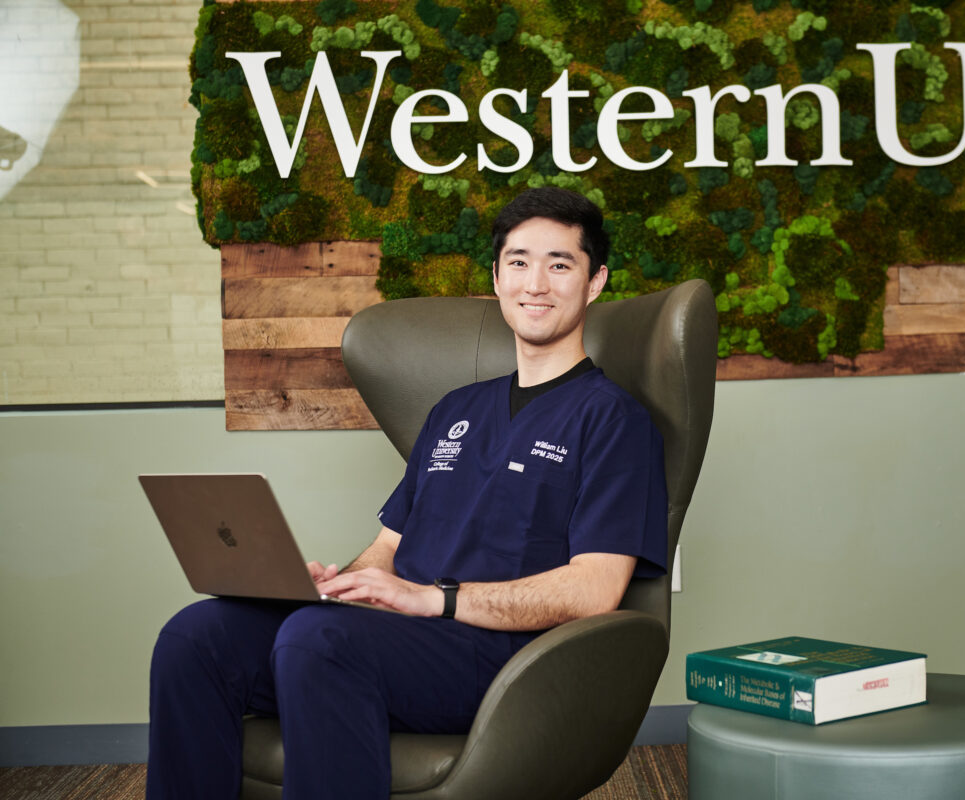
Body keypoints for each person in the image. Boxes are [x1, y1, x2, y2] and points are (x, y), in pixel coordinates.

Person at [146, 187, 669, 800]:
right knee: (196, 637)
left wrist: (434, 600)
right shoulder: (456, 409)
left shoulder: (613, 421)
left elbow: (595, 588)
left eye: (560, 264)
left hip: (501, 657)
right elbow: (388, 545)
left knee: (319, 642)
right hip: (399, 635)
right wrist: (342, 586)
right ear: (497, 277)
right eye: (520, 262)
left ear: (595, 281)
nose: (537, 283)